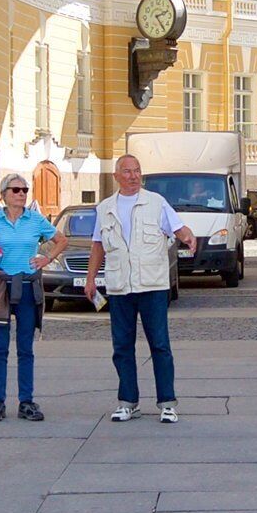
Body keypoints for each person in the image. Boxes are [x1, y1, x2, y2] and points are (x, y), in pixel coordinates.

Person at [89, 152, 182, 422]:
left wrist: (187, 235)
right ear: (116, 176)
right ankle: (128, 402)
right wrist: (91, 278)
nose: (134, 176)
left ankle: (167, 403)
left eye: (137, 170)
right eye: (128, 171)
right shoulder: (105, 208)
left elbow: (177, 227)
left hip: (152, 285)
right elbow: (98, 245)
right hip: (120, 287)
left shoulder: (156, 202)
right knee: (122, 346)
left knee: (160, 345)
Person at [0, 176, 55, 423]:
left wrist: (46, 258)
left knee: (25, 348)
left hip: (27, 287)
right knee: (0, 348)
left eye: (24, 190)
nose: (21, 194)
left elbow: (60, 239)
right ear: (4, 195)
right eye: (16, 190)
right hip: (1, 287)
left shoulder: (35, 219)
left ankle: (26, 401)